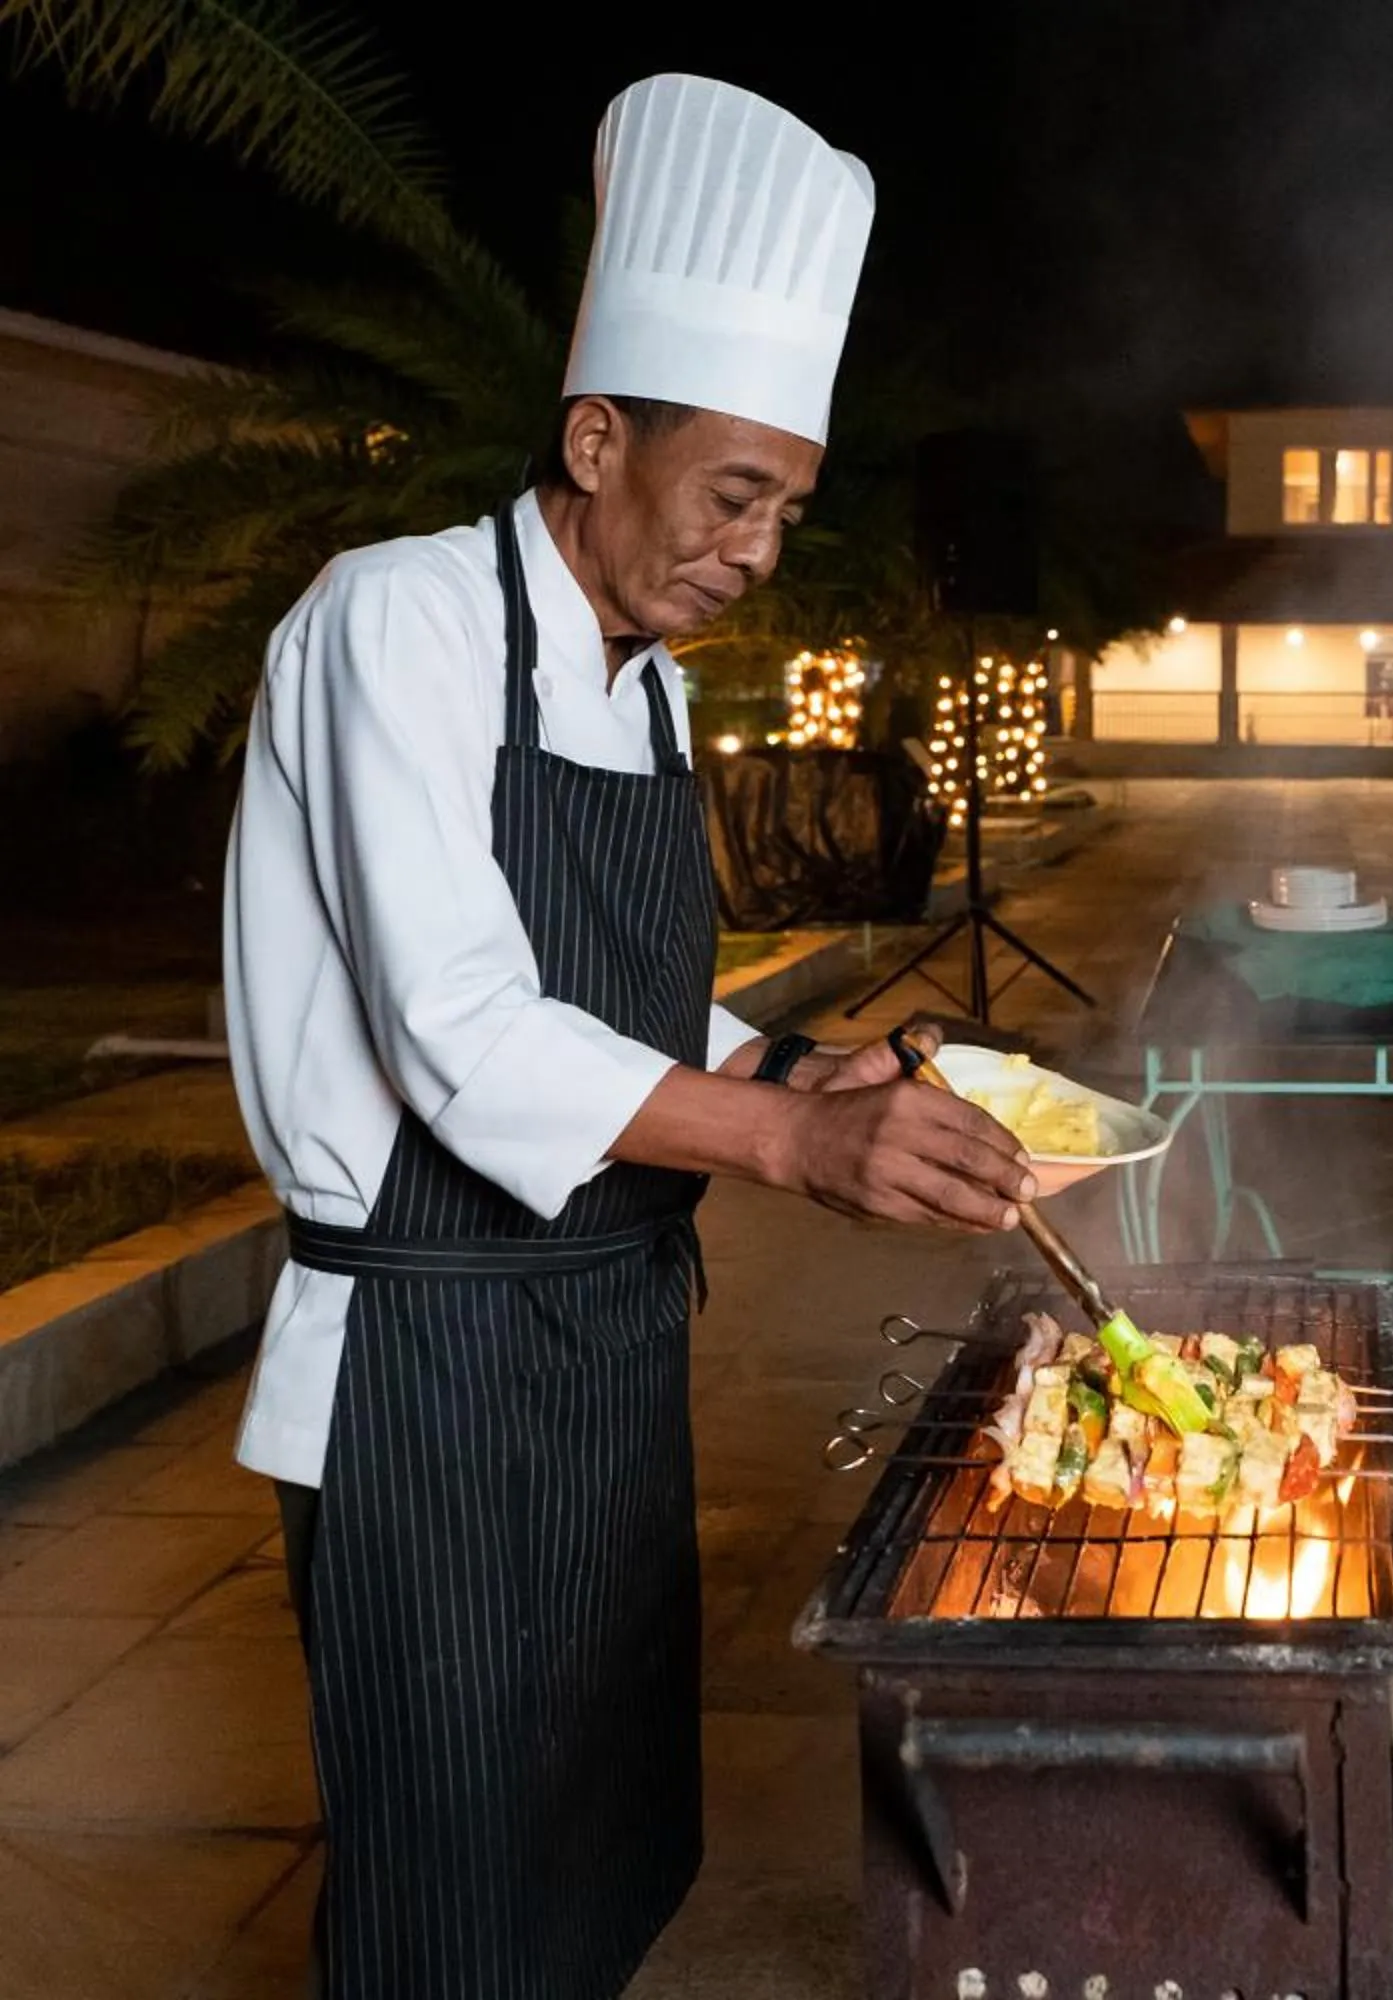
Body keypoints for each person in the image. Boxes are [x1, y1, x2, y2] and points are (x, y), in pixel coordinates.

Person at [222, 75, 1030, 1999]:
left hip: (597, 1334)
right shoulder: (392, 621)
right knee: (449, 1885)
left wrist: (785, 1073)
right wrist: (788, 1149)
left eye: (787, 510)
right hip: (428, 1354)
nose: (758, 550)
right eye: (733, 493)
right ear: (596, 435)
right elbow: (461, 1031)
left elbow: (621, 1001)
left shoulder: (642, 685)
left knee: (584, 1843)